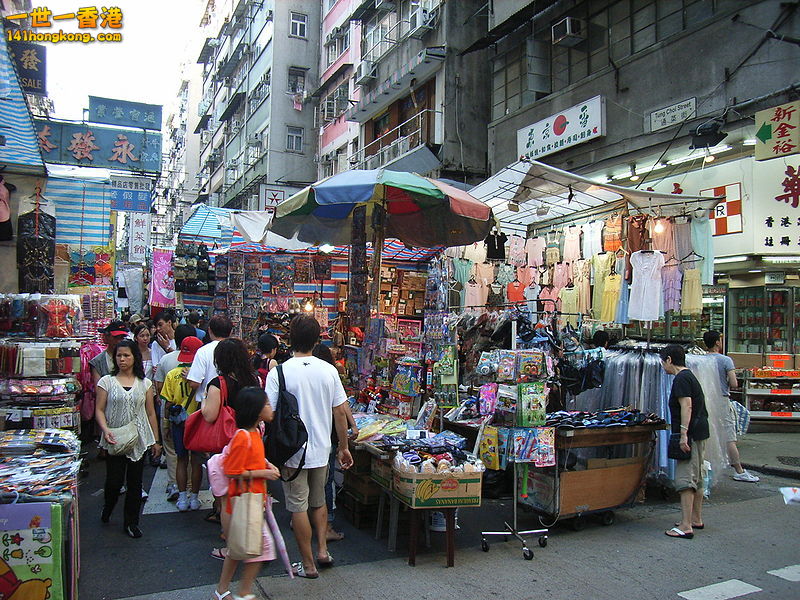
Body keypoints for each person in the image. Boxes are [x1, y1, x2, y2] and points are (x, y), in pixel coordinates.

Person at [265, 315, 353, 579]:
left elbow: (268, 412)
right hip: (322, 449)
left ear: (290, 339)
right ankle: (323, 550)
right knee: (319, 502)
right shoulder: (329, 370)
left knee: (298, 506)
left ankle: (309, 564)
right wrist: (343, 447)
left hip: (292, 452)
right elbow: (340, 413)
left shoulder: (278, 372)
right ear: (317, 340)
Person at [212, 387, 281, 600]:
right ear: (257, 410)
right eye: (267, 404)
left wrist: (267, 465)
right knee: (263, 548)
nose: (271, 408)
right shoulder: (243, 436)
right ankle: (243, 591)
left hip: (250, 501)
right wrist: (264, 473)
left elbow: (250, 461)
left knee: (236, 549)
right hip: (245, 501)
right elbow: (232, 471)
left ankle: (222, 591)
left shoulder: (255, 432)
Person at [94, 339, 161, 538]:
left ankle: (131, 522)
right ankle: (108, 506)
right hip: (115, 437)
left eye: (126, 355)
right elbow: (99, 409)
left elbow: (150, 413)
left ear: (134, 358)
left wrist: (155, 441)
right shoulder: (106, 381)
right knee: (114, 481)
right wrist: (105, 430)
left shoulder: (145, 384)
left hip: (138, 439)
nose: (122, 359)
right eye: (119, 356)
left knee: (135, 483)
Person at [203, 338, 261, 535]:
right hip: (251, 438)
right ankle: (248, 528)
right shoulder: (254, 380)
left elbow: (210, 415)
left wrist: (203, 404)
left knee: (227, 494)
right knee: (247, 487)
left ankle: (228, 534)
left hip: (227, 441)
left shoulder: (218, 384)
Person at [660, 344, 710, 539]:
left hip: (690, 434)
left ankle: (686, 525)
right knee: (697, 477)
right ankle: (695, 518)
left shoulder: (681, 379)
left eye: (663, 362)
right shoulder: (689, 376)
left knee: (686, 479)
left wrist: (683, 435)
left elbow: (686, 406)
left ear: (670, 360)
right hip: (699, 432)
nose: (663, 367)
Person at [312, 343, 358, 543]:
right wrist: (348, 435)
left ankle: (303, 518)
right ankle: (327, 525)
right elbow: (341, 406)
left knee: (307, 479)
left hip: (306, 437)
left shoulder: (302, 374)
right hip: (326, 437)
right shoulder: (330, 374)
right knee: (326, 480)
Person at [703, 330, 759, 483]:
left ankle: (707, 467)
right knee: (729, 437)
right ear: (717, 343)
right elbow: (734, 383)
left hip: (706, 399)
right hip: (721, 400)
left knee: (708, 434)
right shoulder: (725, 360)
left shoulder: (701, 359)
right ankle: (739, 470)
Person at [153, 324, 197, 501]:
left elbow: (160, 388)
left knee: (175, 454)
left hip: (174, 416)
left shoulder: (167, 362)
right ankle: (192, 494)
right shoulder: (200, 364)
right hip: (195, 418)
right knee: (195, 458)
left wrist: (165, 419)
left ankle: (176, 487)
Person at [161, 336, 205, 512]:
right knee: (196, 460)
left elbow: (167, 404)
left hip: (178, 423)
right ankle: (194, 497)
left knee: (180, 459)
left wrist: (165, 425)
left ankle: (182, 497)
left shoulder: (172, 375)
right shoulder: (202, 377)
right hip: (198, 422)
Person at [188, 314, 233, 404]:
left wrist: (188, 377)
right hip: (231, 403)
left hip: (208, 404)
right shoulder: (237, 350)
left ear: (209, 331)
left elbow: (194, 383)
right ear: (231, 332)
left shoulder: (203, 351)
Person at [90, 321, 130, 385]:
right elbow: (99, 389)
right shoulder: (98, 361)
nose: (119, 341)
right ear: (106, 337)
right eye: (116, 337)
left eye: (122, 337)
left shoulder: (131, 358)